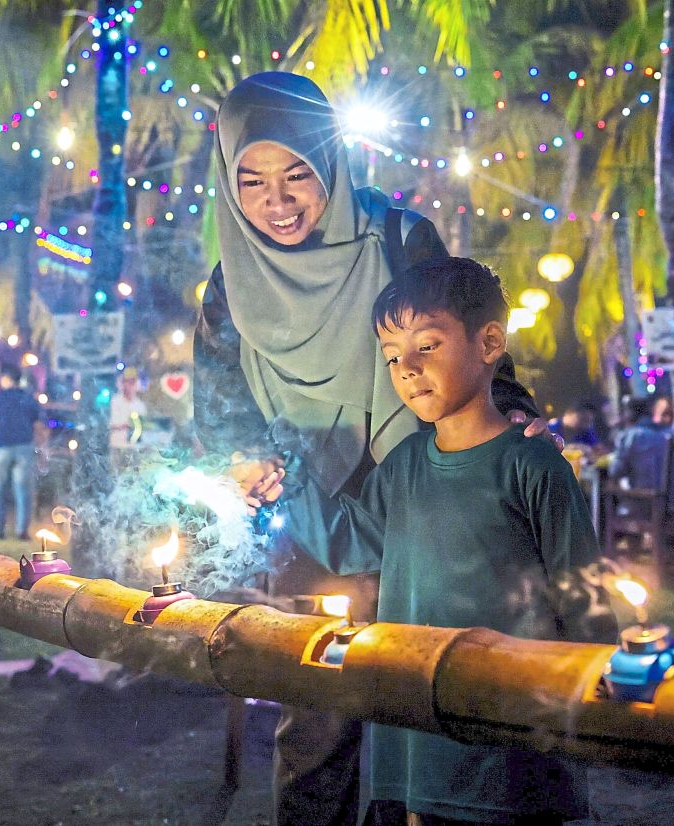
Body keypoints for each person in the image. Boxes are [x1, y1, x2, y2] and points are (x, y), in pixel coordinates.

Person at [194, 72, 549, 826]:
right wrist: (245, 458)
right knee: (318, 717)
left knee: (423, 703)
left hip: (421, 499)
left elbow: (463, 336)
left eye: (297, 175)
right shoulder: (230, 286)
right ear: (228, 182)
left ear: (332, 165)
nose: (276, 200)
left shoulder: (396, 238)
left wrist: (512, 412)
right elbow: (218, 406)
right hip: (306, 513)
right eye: (250, 180)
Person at [256, 258, 611, 825]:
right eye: (393, 356)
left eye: (428, 346)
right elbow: (350, 543)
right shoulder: (403, 467)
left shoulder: (531, 464)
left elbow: (583, 592)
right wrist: (285, 485)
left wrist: (601, 693)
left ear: (489, 341)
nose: (408, 369)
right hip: (414, 739)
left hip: (509, 743)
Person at [0, 363, 43, 539]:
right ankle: (21, 530)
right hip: (24, 447)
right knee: (22, 490)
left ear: (6, 379)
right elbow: (38, 426)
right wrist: (41, 449)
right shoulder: (28, 398)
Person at [609, 396, 672, 490]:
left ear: (629, 415)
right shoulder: (667, 433)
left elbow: (615, 471)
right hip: (668, 498)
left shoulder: (630, 436)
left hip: (639, 497)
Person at [109, 367, 148, 462]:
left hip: (135, 449)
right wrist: (126, 425)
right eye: (127, 382)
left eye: (132, 382)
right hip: (117, 447)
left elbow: (143, 428)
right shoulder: (115, 401)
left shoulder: (140, 406)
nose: (130, 385)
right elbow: (111, 424)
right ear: (122, 383)